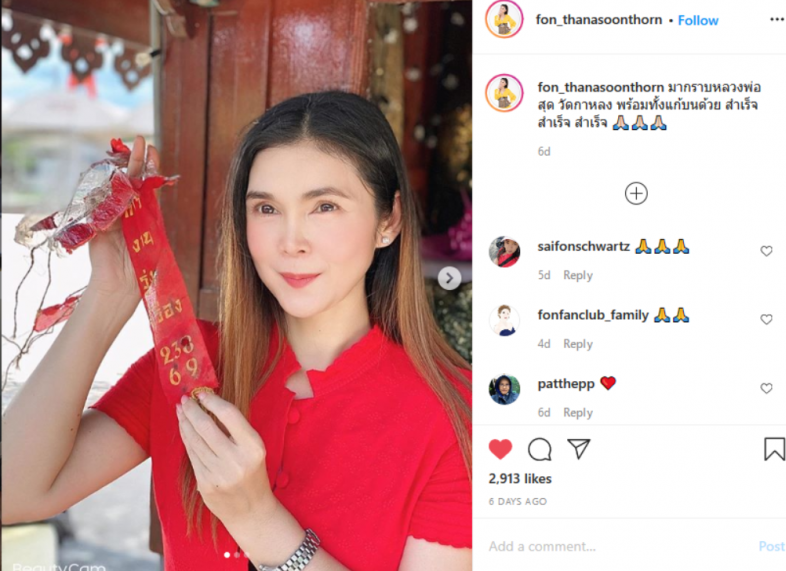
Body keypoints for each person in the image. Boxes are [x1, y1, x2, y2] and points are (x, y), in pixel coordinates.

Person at [1, 91, 472, 571]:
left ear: (388, 220)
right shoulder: (187, 364)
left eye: (325, 206)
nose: (291, 242)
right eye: (266, 209)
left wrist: (258, 520)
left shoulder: (455, 414)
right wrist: (112, 291)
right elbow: (13, 493)